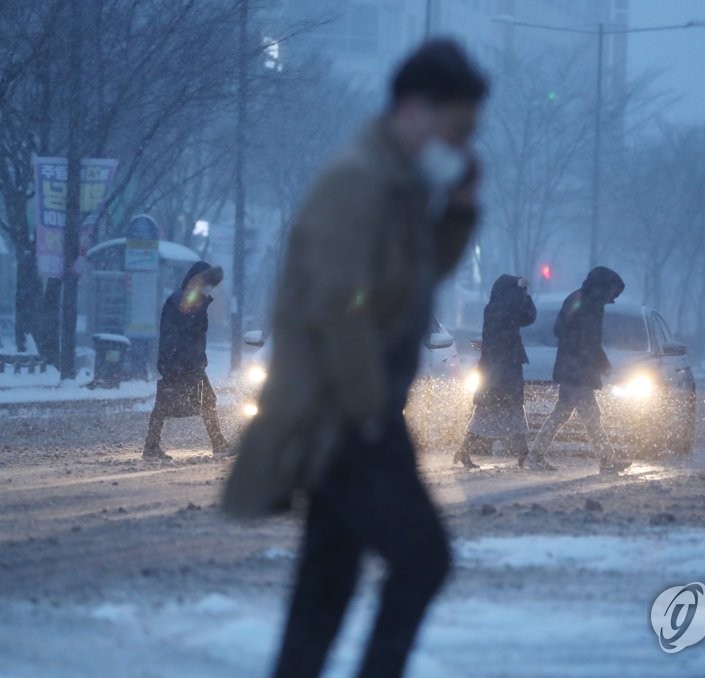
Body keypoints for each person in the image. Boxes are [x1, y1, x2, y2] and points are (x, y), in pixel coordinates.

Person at [223, 40, 487, 678]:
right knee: (424, 559)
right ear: (415, 110)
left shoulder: (395, 185)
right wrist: (369, 413)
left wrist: (459, 213)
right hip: (345, 413)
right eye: (457, 128)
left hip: (356, 409)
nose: (462, 145)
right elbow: (343, 303)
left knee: (326, 584)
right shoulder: (359, 181)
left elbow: (413, 281)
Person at [524, 266, 630, 474]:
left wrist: (598, 359)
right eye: (612, 291)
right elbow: (580, 336)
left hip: (573, 367)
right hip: (577, 369)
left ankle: (535, 456)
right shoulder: (586, 302)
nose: (612, 296)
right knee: (591, 417)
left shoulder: (585, 300)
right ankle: (607, 461)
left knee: (561, 414)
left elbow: (577, 334)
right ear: (604, 287)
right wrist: (592, 356)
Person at [142, 262, 230, 460]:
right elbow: (178, 333)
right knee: (172, 403)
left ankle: (152, 445)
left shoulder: (190, 298)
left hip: (187, 362)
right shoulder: (184, 298)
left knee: (199, 401)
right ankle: (152, 446)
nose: (209, 289)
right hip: (181, 362)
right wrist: (173, 360)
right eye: (207, 283)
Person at [455, 274, 537, 469]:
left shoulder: (503, 305)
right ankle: (465, 450)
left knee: (509, 411)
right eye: (514, 289)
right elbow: (519, 312)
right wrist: (520, 290)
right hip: (499, 369)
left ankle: (522, 454)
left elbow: (528, 317)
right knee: (490, 413)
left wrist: (523, 292)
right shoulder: (498, 307)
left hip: (503, 367)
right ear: (507, 291)